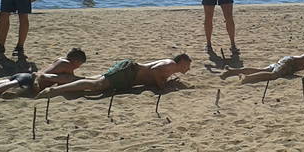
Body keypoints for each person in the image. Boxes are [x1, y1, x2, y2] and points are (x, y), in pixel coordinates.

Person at [38, 53, 191, 98]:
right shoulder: (171, 65)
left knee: (89, 80)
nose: (188, 69)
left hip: (128, 71)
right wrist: (162, 86)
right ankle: (54, 91)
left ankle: (50, 78)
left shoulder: (170, 66)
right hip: (128, 73)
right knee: (95, 86)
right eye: (187, 65)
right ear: (182, 62)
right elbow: (156, 71)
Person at [220, 47, 304, 84]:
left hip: (289, 63)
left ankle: (232, 71)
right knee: (273, 75)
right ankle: (248, 78)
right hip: (290, 63)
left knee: (263, 69)